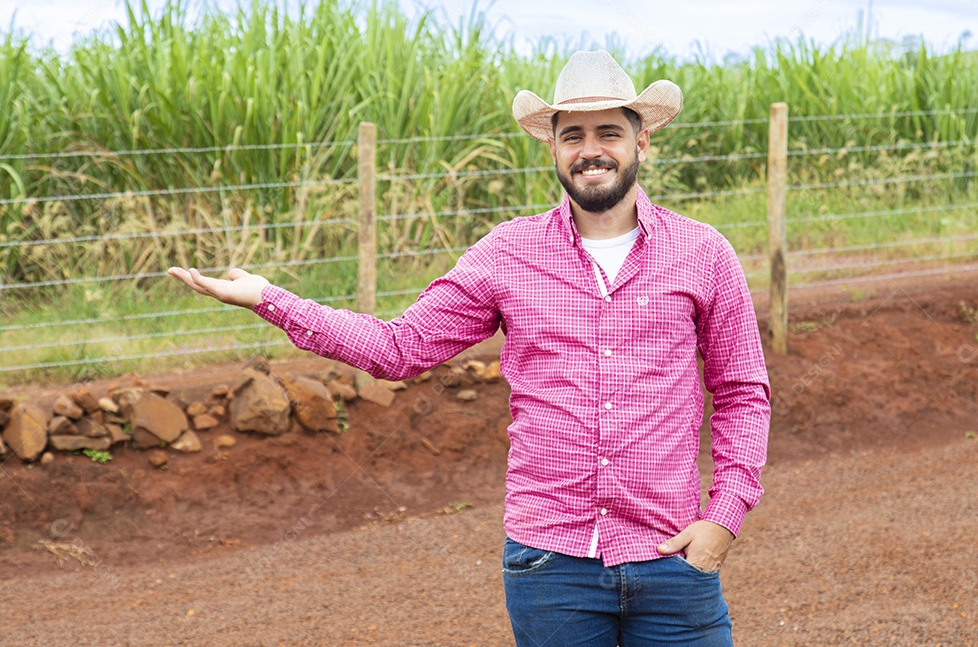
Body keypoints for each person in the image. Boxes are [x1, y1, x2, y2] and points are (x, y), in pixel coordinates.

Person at [168, 49, 770, 647]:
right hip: (551, 567)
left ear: (642, 144)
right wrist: (268, 297)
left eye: (609, 132)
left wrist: (723, 519)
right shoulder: (508, 253)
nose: (590, 150)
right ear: (553, 149)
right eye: (573, 135)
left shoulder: (703, 253)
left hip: (672, 562)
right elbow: (399, 348)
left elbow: (743, 392)